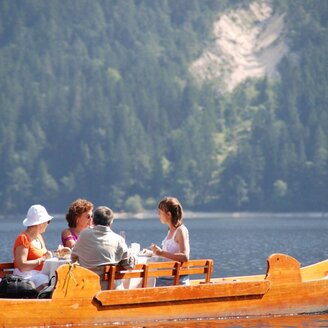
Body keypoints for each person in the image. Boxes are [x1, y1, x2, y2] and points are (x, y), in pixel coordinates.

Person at [71, 206, 135, 289]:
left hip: (86, 288)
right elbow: (129, 264)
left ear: (93, 220)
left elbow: (74, 257)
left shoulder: (84, 235)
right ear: (111, 222)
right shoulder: (118, 239)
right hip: (111, 289)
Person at [150, 197, 190, 286]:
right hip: (168, 277)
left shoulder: (180, 230)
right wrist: (155, 252)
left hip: (175, 280)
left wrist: (162, 253)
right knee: (144, 280)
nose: (158, 214)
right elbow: (169, 254)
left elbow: (185, 257)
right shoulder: (170, 231)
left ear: (168, 214)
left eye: (160, 212)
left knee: (143, 283)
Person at [13, 204, 53, 291]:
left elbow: (44, 256)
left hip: (38, 276)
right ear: (40, 223)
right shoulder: (23, 238)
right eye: (48, 221)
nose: (48, 224)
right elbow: (22, 266)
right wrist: (42, 259)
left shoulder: (39, 237)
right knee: (47, 281)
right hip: (26, 279)